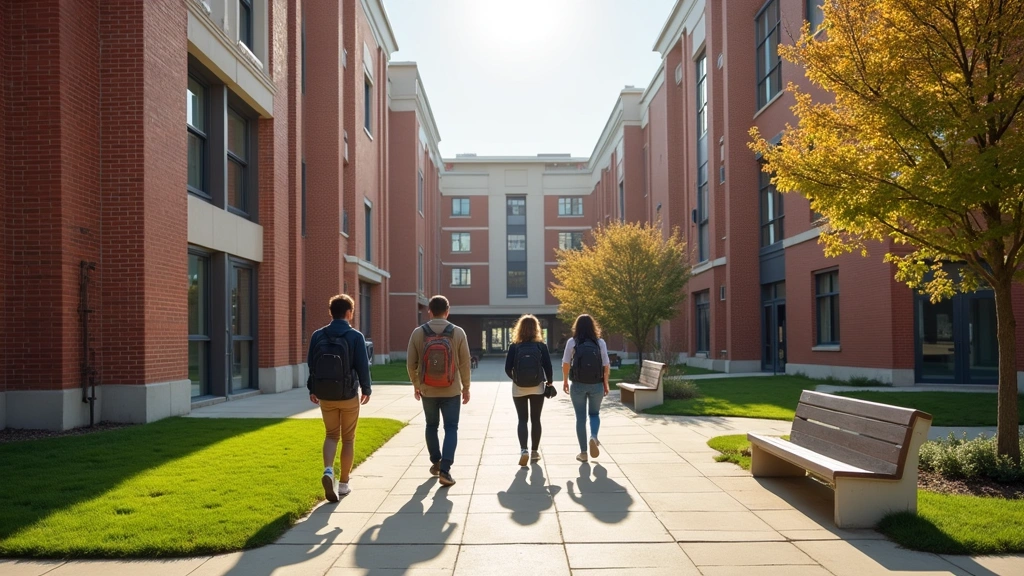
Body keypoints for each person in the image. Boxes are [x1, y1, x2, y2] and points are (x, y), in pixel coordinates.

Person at [307, 294, 372, 502]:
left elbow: (311, 365)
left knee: (331, 434)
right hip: (348, 395)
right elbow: (362, 366)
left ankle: (328, 471)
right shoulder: (355, 336)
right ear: (349, 313)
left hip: (325, 395)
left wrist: (312, 389)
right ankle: (343, 484)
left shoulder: (318, 335)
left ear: (330, 313)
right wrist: (366, 389)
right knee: (348, 438)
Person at [406, 295, 471, 486]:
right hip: (451, 390)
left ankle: (436, 461)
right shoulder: (458, 332)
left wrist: (417, 384)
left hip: (428, 389)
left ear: (429, 311)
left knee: (431, 425)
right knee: (451, 428)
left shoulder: (419, 333)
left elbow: (411, 364)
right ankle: (446, 470)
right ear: (447, 311)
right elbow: (465, 363)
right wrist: (466, 387)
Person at [504, 314, 554, 466]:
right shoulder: (541, 346)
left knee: (522, 419)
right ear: (536, 329)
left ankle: (523, 450)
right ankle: (534, 452)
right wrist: (549, 383)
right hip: (537, 387)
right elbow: (548, 366)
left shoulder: (514, 346)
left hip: (519, 388)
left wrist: (517, 379)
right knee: (536, 419)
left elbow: (507, 368)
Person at [561, 314, 611, 463]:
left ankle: (583, 453)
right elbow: (606, 365)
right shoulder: (599, 342)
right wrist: (606, 383)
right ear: (593, 326)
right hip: (596, 384)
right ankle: (594, 437)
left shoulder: (572, 342)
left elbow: (565, 363)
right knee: (594, 414)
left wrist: (564, 381)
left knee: (580, 418)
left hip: (578, 384)